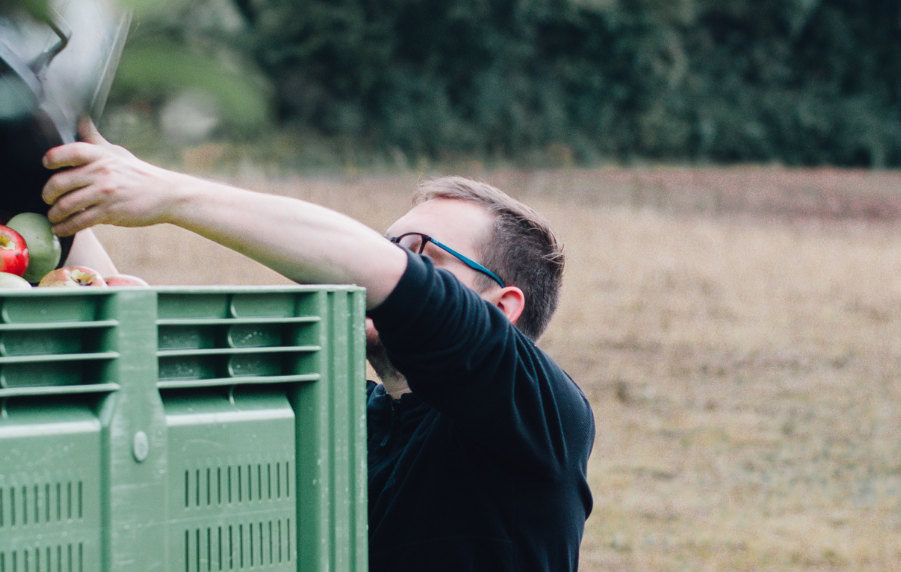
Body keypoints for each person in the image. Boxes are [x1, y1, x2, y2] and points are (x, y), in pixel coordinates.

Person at [42, 118, 595, 571]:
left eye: (421, 251)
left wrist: (167, 193)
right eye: (387, 245)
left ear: (501, 308)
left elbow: (398, 287)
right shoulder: (341, 414)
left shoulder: (544, 421)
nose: (387, 260)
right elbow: (143, 351)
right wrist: (60, 203)